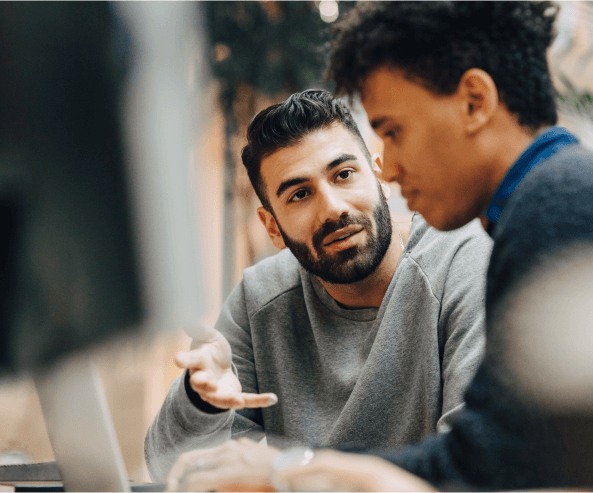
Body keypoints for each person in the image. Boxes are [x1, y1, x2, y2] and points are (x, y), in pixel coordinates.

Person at [162, 1, 593, 491]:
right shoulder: (555, 199)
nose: (391, 168)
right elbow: (490, 460)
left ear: (474, 102)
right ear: (271, 223)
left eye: (393, 132)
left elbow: (483, 475)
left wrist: (286, 471)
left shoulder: (564, 210)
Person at [146, 89, 492, 485]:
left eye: (343, 175)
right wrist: (199, 402)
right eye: (299, 194)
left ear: (378, 177)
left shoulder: (463, 265)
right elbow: (169, 469)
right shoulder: (260, 297)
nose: (333, 207)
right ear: (272, 226)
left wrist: (289, 470)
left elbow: (472, 468)